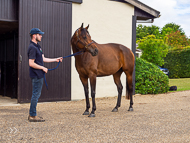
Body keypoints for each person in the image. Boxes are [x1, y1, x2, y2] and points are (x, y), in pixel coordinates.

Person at [27, 28, 63, 122]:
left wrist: (56, 59)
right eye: (40, 34)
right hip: (36, 75)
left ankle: (32, 114)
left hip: (39, 74)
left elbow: (43, 59)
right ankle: (32, 116)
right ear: (34, 35)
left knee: (36, 94)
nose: (41, 36)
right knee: (36, 94)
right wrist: (43, 68)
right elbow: (31, 63)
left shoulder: (38, 46)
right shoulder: (32, 47)